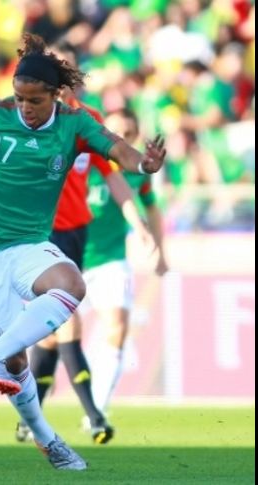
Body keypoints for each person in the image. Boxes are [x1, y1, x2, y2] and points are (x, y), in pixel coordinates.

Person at [0, 33, 166, 471]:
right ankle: (47, 438)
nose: (24, 107)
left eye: (34, 100)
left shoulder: (74, 124)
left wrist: (144, 163)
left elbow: (116, 149)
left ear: (56, 95)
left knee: (70, 284)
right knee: (18, 360)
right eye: (19, 98)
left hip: (30, 244)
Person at [17, 41, 154, 446]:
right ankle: (95, 416)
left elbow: (112, 175)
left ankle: (30, 416)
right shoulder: (24, 119)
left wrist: (138, 222)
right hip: (39, 234)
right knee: (65, 324)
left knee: (48, 334)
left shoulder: (87, 121)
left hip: (76, 232)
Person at [84, 108, 168, 417]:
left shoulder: (135, 175)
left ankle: (96, 411)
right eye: (114, 132)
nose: (120, 139)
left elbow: (153, 210)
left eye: (127, 133)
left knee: (117, 327)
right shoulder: (83, 161)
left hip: (109, 258)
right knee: (53, 338)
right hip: (67, 259)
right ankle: (34, 400)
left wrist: (161, 250)